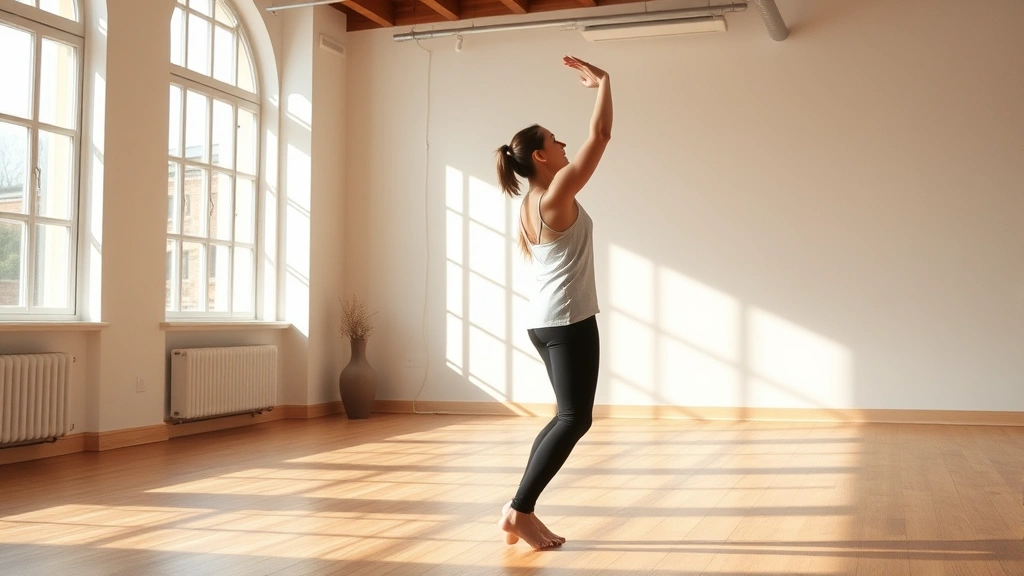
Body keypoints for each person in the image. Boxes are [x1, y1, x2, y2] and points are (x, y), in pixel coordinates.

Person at [494, 55, 612, 551]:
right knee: (574, 418)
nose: (563, 143)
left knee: (566, 415)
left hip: (545, 322)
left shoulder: (529, 202)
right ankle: (519, 509)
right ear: (541, 156)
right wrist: (604, 83)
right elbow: (600, 137)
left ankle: (522, 509)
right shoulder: (555, 192)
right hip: (566, 321)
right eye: (555, 139)